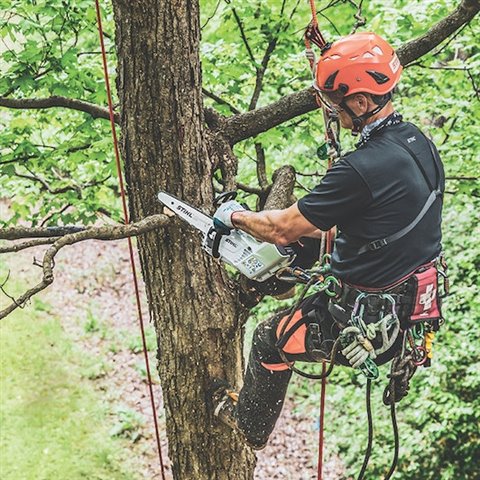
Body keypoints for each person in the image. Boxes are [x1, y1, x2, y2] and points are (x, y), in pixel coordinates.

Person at [210, 32, 445, 450]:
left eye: (335, 103)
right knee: (296, 245)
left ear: (360, 101)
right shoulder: (417, 141)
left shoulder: (360, 168)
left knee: (269, 339)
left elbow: (283, 226)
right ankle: (262, 282)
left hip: (371, 317)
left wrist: (235, 216)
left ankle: (249, 425)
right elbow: (380, 217)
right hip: (412, 293)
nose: (331, 113)